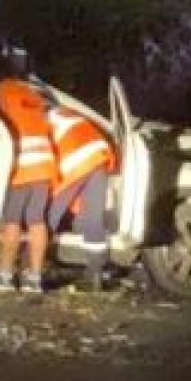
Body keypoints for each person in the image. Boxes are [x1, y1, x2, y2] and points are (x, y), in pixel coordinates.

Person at [0, 76, 57, 293]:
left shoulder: (0, 93)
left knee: (13, 219)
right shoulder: (32, 94)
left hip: (22, 163)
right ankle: (34, 279)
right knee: (37, 220)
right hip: (44, 162)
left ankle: (5, 276)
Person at [46, 104, 116, 289]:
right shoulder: (69, 112)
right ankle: (95, 274)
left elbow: (49, 163)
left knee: (51, 214)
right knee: (94, 219)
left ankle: (38, 267)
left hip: (76, 160)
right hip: (99, 156)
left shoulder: (45, 120)